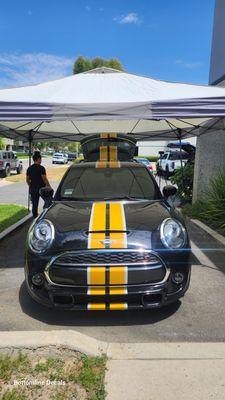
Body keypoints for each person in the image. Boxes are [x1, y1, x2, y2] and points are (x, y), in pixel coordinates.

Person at [26, 151, 52, 218]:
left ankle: (35, 217)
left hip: (33, 189)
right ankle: (45, 213)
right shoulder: (41, 168)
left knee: (35, 204)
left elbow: (27, 180)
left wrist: (30, 185)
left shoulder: (29, 168)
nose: (41, 160)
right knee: (48, 201)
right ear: (38, 159)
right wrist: (49, 186)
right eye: (41, 159)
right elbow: (44, 179)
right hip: (42, 189)